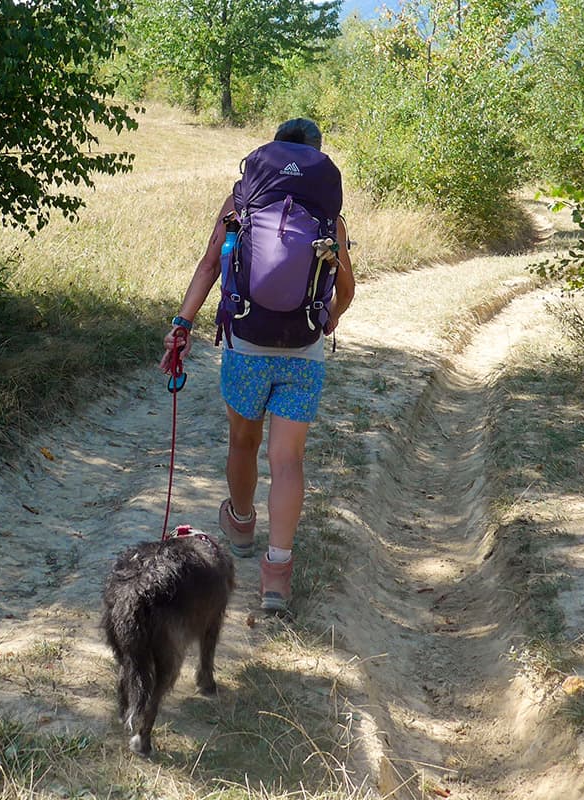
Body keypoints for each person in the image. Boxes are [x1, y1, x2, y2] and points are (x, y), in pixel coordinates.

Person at [161, 118, 355, 617]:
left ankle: (242, 522)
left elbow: (210, 265)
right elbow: (347, 288)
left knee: (243, 441)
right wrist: (326, 319)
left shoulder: (240, 206)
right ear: (316, 156)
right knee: (287, 460)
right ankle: (277, 577)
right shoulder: (330, 219)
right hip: (303, 348)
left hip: (246, 341)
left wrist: (182, 325)